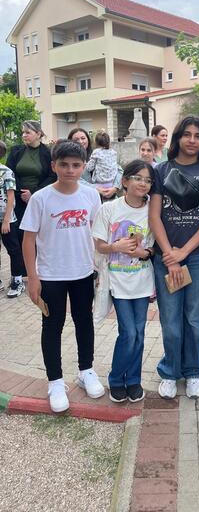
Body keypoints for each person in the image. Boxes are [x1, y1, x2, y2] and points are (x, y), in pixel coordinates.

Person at [21, 141, 105, 413]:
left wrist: (100, 268)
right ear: (53, 165)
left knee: (84, 321)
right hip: (50, 274)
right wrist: (32, 277)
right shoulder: (41, 198)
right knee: (52, 325)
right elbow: (28, 240)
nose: (70, 170)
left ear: (84, 167)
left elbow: (97, 234)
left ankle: (86, 370)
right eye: (64, 164)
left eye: (76, 165)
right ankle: (55, 382)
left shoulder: (91, 195)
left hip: (83, 272)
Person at [149, 116, 199, 399]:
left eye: (198, 136)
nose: (192, 140)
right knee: (170, 319)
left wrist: (184, 252)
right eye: (187, 134)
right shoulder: (161, 170)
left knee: (195, 319)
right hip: (166, 259)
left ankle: (194, 371)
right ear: (177, 138)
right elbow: (154, 215)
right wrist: (170, 255)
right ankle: (170, 371)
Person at [92, 160, 155, 403]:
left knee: (139, 333)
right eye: (138, 178)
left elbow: (154, 248)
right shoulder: (109, 209)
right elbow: (99, 245)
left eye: (148, 180)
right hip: (117, 281)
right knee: (128, 332)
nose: (143, 184)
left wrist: (143, 252)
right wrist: (115, 247)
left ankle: (134, 380)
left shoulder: (153, 210)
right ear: (125, 181)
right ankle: (117, 379)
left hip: (142, 280)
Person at [6, 120, 56, 249]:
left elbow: (52, 176)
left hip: (41, 199)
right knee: (21, 237)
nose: (24, 135)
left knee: (41, 236)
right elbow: (9, 173)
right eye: (23, 132)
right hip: (18, 200)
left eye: (28, 132)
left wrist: (33, 194)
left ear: (38, 134)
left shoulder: (48, 153)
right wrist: (23, 192)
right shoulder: (16, 151)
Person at [0, 140, 27, 297]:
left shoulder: (6, 172)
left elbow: (11, 197)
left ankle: (17, 280)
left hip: (7, 219)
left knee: (13, 250)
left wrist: (6, 220)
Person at [68, 127, 122, 200]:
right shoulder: (68, 160)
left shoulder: (97, 154)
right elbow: (73, 180)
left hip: (108, 198)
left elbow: (119, 171)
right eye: (76, 140)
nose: (80, 141)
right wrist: (95, 188)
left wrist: (115, 188)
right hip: (84, 199)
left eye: (83, 138)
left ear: (88, 140)